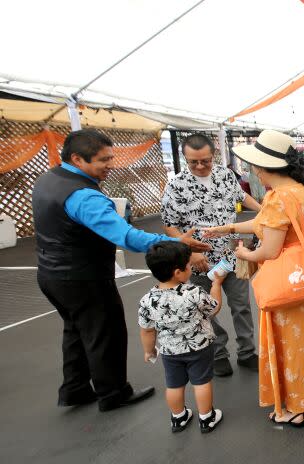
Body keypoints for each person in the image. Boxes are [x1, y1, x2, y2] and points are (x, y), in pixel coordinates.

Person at [32, 129, 210, 412]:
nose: (110, 165)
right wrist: (177, 241)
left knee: (76, 331)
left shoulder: (48, 179)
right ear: (78, 159)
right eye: (103, 160)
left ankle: (74, 388)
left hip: (51, 274)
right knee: (105, 333)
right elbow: (126, 237)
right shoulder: (84, 196)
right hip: (84, 278)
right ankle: (113, 393)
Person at [203, 129, 304, 427]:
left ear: (263, 168)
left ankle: (296, 406)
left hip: (289, 285)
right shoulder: (303, 192)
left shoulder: (276, 198)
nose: (253, 172)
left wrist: (244, 255)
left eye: (255, 167)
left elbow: (269, 250)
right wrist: (229, 228)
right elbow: (267, 224)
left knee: (294, 347)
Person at [162, 134, 263, 377]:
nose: (199, 166)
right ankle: (218, 353)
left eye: (204, 161)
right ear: (185, 158)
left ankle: (247, 352)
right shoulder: (175, 185)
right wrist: (189, 253)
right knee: (206, 310)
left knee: (242, 305)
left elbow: (242, 197)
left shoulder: (226, 175)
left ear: (213, 155)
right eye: (192, 162)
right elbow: (169, 225)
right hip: (199, 260)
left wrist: (265, 211)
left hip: (233, 253)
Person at [139, 242, 225, 434]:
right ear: (178, 272)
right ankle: (206, 417)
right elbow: (214, 307)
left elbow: (147, 330)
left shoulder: (147, 300)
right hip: (199, 347)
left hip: (170, 351)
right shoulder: (193, 293)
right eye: (188, 265)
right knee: (201, 382)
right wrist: (216, 284)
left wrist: (149, 350)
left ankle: (178, 417)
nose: (190, 267)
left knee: (174, 385)